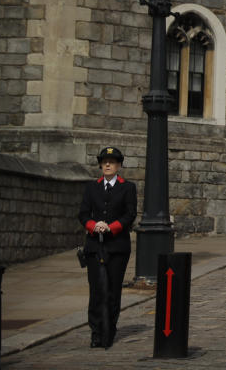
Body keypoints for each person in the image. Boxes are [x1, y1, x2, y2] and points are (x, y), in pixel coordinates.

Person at [78, 146, 137, 348]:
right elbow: (83, 214)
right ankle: (96, 332)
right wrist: (94, 226)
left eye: (112, 161)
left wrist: (110, 228)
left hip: (117, 247)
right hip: (95, 246)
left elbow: (130, 215)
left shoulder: (127, 187)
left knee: (112, 290)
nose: (108, 164)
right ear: (101, 165)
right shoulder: (91, 187)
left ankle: (109, 330)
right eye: (104, 162)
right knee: (96, 291)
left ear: (119, 165)